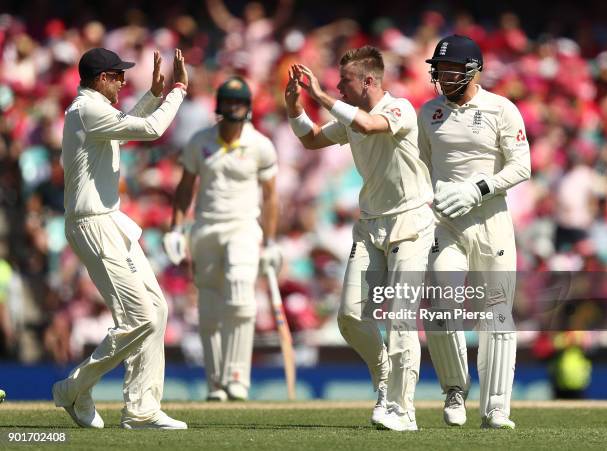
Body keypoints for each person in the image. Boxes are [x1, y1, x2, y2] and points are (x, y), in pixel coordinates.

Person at [285, 46, 434, 431]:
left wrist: (319, 96)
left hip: (411, 223)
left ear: (368, 81)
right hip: (371, 224)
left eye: (344, 81)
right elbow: (313, 139)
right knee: (350, 316)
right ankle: (385, 377)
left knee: (401, 320)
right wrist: (294, 108)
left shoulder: (399, 108)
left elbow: (369, 125)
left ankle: (403, 410)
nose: (337, 87)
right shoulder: (351, 118)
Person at [53, 47, 189, 430]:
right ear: (101, 79)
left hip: (111, 221)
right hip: (92, 224)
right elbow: (149, 130)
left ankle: (142, 410)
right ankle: (73, 388)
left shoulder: (95, 111)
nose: (124, 82)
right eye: (119, 76)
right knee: (139, 317)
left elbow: (127, 127)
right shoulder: (86, 109)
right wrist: (178, 89)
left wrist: (154, 96)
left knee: (157, 311)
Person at [418, 35, 531, 429]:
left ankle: (496, 407)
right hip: (445, 223)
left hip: (490, 222)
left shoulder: (501, 108)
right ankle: (454, 390)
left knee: (496, 314)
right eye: (440, 69)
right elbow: (420, 168)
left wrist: (477, 188)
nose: (444, 75)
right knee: (441, 302)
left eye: (452, 69)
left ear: (474, 70)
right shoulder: (428, 112)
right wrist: (437, 195)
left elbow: (521, 166)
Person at [163, 76, 280, 402]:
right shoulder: (200, 141)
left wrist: (270, 242)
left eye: (238, 102)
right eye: (227, 102)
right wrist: (175, 227)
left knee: (241, 295)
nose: (233, 108)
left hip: (244, 227)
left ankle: (237, 376)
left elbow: (271, 197)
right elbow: (185, 187)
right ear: (218, 105)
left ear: (248, 107)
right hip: (205, 228)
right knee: (211, 307)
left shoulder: (260, 145)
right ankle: (216, 383)